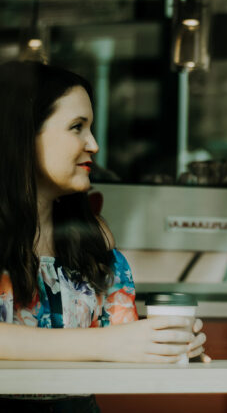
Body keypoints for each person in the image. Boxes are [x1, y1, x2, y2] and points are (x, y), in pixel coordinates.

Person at [0, 61, 209, 413]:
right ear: (23, 134)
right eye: (76, 127)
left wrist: (168, 345)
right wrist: (107, 343)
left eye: (90, 128)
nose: (93, 145)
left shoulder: (94, 244)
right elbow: (109, 343)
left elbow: (121, 343)